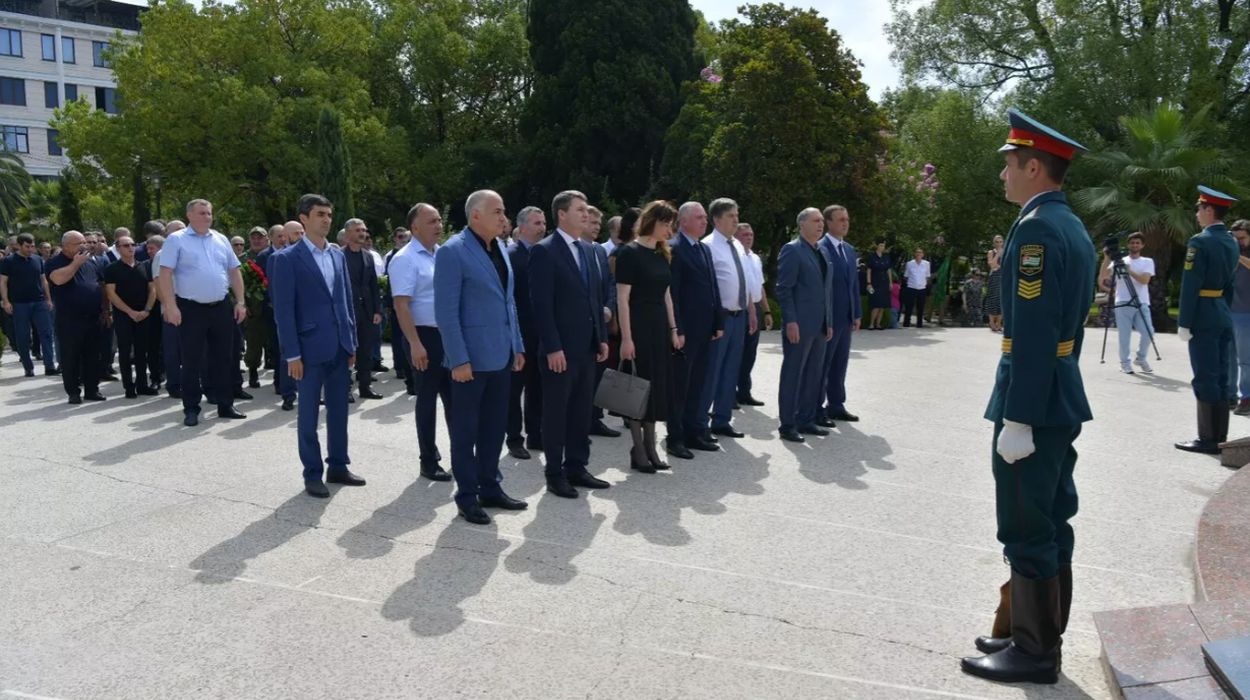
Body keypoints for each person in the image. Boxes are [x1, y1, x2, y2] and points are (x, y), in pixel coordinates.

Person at [961, 108, 1095, 685]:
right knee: (1052, 514)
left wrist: (1019, 416)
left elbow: (1036, 332)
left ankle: (1036, 652)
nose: (1002, 177)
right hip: (1058, 392)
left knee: (1024, 520)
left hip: (1033, 401)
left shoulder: (1037, 228)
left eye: (1009, 165)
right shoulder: (1070, 223)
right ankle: (1028, 631)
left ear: (1034, 166)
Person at [433, 189, 528, 524]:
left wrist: (517, 345)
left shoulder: (500, 248)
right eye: (498, 212)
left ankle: (491, 487)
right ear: (475, 215)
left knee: (494, 429)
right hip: (469, 363)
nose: (504, 218)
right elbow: (445, 312)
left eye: (504, 212)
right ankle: (467, 495)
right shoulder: (452, 252)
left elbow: (508, 302)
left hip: (501, 356)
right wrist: (458, 359)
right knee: (466, 432)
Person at [270, 194, 364, 498]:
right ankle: (312, 473)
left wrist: (351, 343)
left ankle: (338, 465)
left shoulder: (337, 255)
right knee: (308, 414)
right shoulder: (285, 259)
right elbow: (283, 311)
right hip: (308, 350)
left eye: (329, 214)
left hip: (338, 346)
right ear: (304, 218)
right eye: (320, 214)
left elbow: (346, 302)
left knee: (339, 411)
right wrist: (292, 354)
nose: (326, 219)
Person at [529, 190, 611, 498]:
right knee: (556, 412)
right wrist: (552, 347)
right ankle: (554, 472)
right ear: (562, 214)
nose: (587, 215)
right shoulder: (545, 251)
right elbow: (541, 305)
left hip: (587, 348)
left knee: (580, 411)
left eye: (588, 210)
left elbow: (593, 298)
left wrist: (601, 338)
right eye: (580, 210)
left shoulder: (590, 250)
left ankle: (577, 466)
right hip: (559, 352)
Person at [157, 199, 248, 426]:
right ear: (189, 215)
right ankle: (191, 408)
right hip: (190, 308)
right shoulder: (176, 240)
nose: (207, 216)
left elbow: (234, 271)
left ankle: (225, 404)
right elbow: (165, 274)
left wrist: (240, 302)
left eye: (209, 213)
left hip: (220, 307)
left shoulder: (220, 239)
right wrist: (170, 305)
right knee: (191, 360)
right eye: (202, 213)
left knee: (225, 357)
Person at [616, 201, 682, 473]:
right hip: (638, 324)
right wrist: (627, 338)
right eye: (666, 223)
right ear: (652, 221)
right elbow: (622, 298)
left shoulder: (662, 252)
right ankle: (638, 449)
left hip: (658, 327)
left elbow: (667, 294)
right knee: (638, 389)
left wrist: (674, 329)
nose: (670, 229)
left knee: (656, 387)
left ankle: (652, 447)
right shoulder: (629, 253)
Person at [1175, 187, 1241, 454]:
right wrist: (1221, 309)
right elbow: (1229, 285)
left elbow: (1190, 285)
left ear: (1209, 210)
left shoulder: (1200, 242)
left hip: (1202, 315)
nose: (1197, 214)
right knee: (1222, 376)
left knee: (1205, 376)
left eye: (1199, 208)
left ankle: (1207, 438)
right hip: (1221, 313)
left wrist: (1185, 321)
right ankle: (1220, 435)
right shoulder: (1231, 241)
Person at [390, 203, 452, 481]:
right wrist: (415, 344)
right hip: (423, 336)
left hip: (448, 336)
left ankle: (461, 454)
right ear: (414, 228)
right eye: (431, 221)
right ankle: (428, 459)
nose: (438, 225)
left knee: (455, 399)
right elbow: (402, 306)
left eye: (439, 220)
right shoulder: (405, 259)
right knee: (427, 400)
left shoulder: (442, 255)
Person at [666, 202, 723, 459]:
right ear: (683, 221)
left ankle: (693, 432)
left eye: (704, 218)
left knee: (698, 383)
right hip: (685, 331)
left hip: (705, 329)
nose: (704, 221)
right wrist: (676, 328)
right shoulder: (675, 249)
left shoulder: (703, 249)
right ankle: (675, 437)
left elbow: (713, 287)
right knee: (680, 386)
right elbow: (673, 293)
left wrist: (718, 321)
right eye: (699, 217)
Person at [775, 208, 833, 443]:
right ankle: (787, 424)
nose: (821, 225)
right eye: (815, 221)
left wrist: (828, 321)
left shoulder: (823, 251)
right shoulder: (792, 250)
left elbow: (827, 291)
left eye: (821, 221)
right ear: (802, 225)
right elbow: (783, 288)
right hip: (799, 324)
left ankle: (806, 419)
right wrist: (790, 320)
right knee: (793, 374)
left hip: (819, 325)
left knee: (814, 374)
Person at [700, 198, 755, 440]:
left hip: (739, 315)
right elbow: (707, 286)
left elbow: (745, 281)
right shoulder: (709, 246)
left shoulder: (738, 246)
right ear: (717, 219)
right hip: (720, 317)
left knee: (731, 369)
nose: (736, 219)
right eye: (731, 215)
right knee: (712, 370)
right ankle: (701, 421)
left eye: (736, 214)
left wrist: (751, 311)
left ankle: (722, 420)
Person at [45, 231, 108, 403]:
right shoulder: (54, 263)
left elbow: (100, 285)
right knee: (71, 357)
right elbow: (58, 280)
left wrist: (105, 310)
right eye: (78, 243)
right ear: (65, 246)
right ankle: (73, 392)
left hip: (93, 317)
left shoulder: (91, 262)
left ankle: (92, 390)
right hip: (69, 320)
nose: (83, 246)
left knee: (93, 356)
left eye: (84, 243)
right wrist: (75, 264)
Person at [505, 205, 546, 460]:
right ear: (521, 228)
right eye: (536, 223)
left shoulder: (546, 253)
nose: (542, 227)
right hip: (519, 333)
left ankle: (536, 434)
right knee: (514, 389)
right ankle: (514, 438)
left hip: (542, 332)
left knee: (538, 386)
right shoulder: (511, 255)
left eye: (543, 223)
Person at [818, 205, 861, 426]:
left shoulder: (850, 250)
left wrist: (857, 313)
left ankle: (836, 405)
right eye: (841, 219)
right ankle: (816, 406)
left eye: (847, 219)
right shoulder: (821, 248)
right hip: (828, 318)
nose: (845, 223)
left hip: (845, 318)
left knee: (840, 363)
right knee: (822, 364)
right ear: (829, 222)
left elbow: (853, 285)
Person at [583, 205, 621, 439]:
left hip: (601, 324)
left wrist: (608, 307)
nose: (597, 226)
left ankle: (594, 419)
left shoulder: (598, 252)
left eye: (599, 223)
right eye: (592, 222)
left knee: (599, 374)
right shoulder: (574, 251)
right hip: (581, 325)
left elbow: (610, 284)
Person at [104, 235, 158, 398]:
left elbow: (153, 290)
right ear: (118, 248)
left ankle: (142, 384)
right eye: (126, 245)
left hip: (143, 314)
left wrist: (147, 310)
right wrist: (130, 312)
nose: (130, 248)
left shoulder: (145, 266)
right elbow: (111, 294)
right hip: (124, 316)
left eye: (132, 244)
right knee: (126, 352)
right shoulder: (112, 269)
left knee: (142, 351)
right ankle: (129, 386)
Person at [1097, 232, 1156, 375]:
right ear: (1128, 244)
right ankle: (1125, 363)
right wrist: (1106, 258)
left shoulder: (1147, 261)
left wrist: (1129, 271)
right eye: (1132, 242)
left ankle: (1141, 358)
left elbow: (1144, 281)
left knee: (1149, 332)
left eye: (1138, 243)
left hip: (1141, 302)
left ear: (1142, 245)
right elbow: (1103, 279)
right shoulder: (1119, 261)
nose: (1135, 245)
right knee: (1124, 335)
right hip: (1122, 301)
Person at [0, 233, 57, 377]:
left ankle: (49, 365)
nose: (30, 249)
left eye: (32, 246)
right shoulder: (9, 261)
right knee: (23, 336)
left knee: (46, 333)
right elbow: (3, 282)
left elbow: (43, 280)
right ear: (19, 245)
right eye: (27, 246)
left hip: (39, 302)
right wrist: (6, 301)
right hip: (19, 304)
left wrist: (48, 299)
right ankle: (28, 366)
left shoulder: (38, 260)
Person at [342, 218, 383, 400]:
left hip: (366, 311)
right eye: (358, 230)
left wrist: (377, 310)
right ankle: (346, 389)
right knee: (348, 352)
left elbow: (374, 285)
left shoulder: (368, 256)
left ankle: (365, 387)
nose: (362, 233)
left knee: (366, 351)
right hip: (348, 310)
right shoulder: (339, 256)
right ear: (348, 233)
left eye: (364, 230)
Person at [735, 222, 771, 407]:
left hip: (755, 306)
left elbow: (760, 287)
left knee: (750, 353)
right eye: (745, 235)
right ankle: (729, 392)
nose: (749, 237)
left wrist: (767, 310)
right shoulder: (736, 257)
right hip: (740, 308)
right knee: (735, 353)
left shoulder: (756, 258)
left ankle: (744, 391)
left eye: (751, 234)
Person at [271, 221, 304, 410]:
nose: (299, 236)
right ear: (286, 235)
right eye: (295, 233)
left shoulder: (309, 256)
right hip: (286, 315)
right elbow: (275, 292)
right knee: (287, 355)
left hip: (307, 315)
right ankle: (288, 395)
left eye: (302, 232)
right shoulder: (278, 258)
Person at [242, 226, 271, 389]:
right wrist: (243, 305)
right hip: (253, 307)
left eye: (260, 237)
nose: (257, 240)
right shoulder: (243, 259)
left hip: (272, 304)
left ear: (267, 239)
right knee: (253, 341)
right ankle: (253, 371)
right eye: (253, 237)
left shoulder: (274, 255)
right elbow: (234, 285)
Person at [1229, 221, 1250, 415]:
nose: (1239, 242)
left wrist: (1238, 256)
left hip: (1246, 312)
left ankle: (1247, 398)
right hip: (1229, 310)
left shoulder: (1241, 254)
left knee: (1245, 359)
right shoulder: (1232, 253)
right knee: (1228, 356)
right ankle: (1230, 395)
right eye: (1235, 238)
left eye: (1242, 238)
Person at [141, 235, 165, 390]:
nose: (149, 251)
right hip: (152, 311)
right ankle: (155, 377)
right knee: (153, 346)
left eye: (152, 248)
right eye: (147, 248)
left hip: (169, 308)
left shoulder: (169, 263)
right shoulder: (144, 266)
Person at [864, 239, 893, 330]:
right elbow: (869, 270)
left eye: (883, 246)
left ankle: (878, 324)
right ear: (877, 246)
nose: (882, 247)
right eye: (881, 245)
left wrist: (890, 282)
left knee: (882, 305)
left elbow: (888, 270)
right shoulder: (872, 256)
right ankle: (871, 324)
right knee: (875, 304)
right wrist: (869, 283)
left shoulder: (886, 256)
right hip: (875, 283)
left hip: (884, 282)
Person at [902, 248, 931, 328]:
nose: (918, 254)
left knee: (921, 306)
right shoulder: (909, 263)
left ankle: (919, 324)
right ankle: (906, 323)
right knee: (909, 306)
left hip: (921, 288)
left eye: (920, 253)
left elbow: (927, 276)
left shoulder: (926, 264)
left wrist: (924, 284)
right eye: (917, 253)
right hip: (911, 287)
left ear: (923, 254)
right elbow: (906, 276)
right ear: (915, 254)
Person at [985, 235, 1005, 332]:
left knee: (1002, 299)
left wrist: (999, 266)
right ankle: (991, 322)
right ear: (994, 243)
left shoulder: (1006, 252)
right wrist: (997, 255)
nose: (999, 244)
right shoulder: (991, 252)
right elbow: (992, 265)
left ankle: (999, 322)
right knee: (992, 298)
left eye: (1000, 242)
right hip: (994, 277)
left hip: (1004, 277)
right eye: (997, 242)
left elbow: (1006, 266)